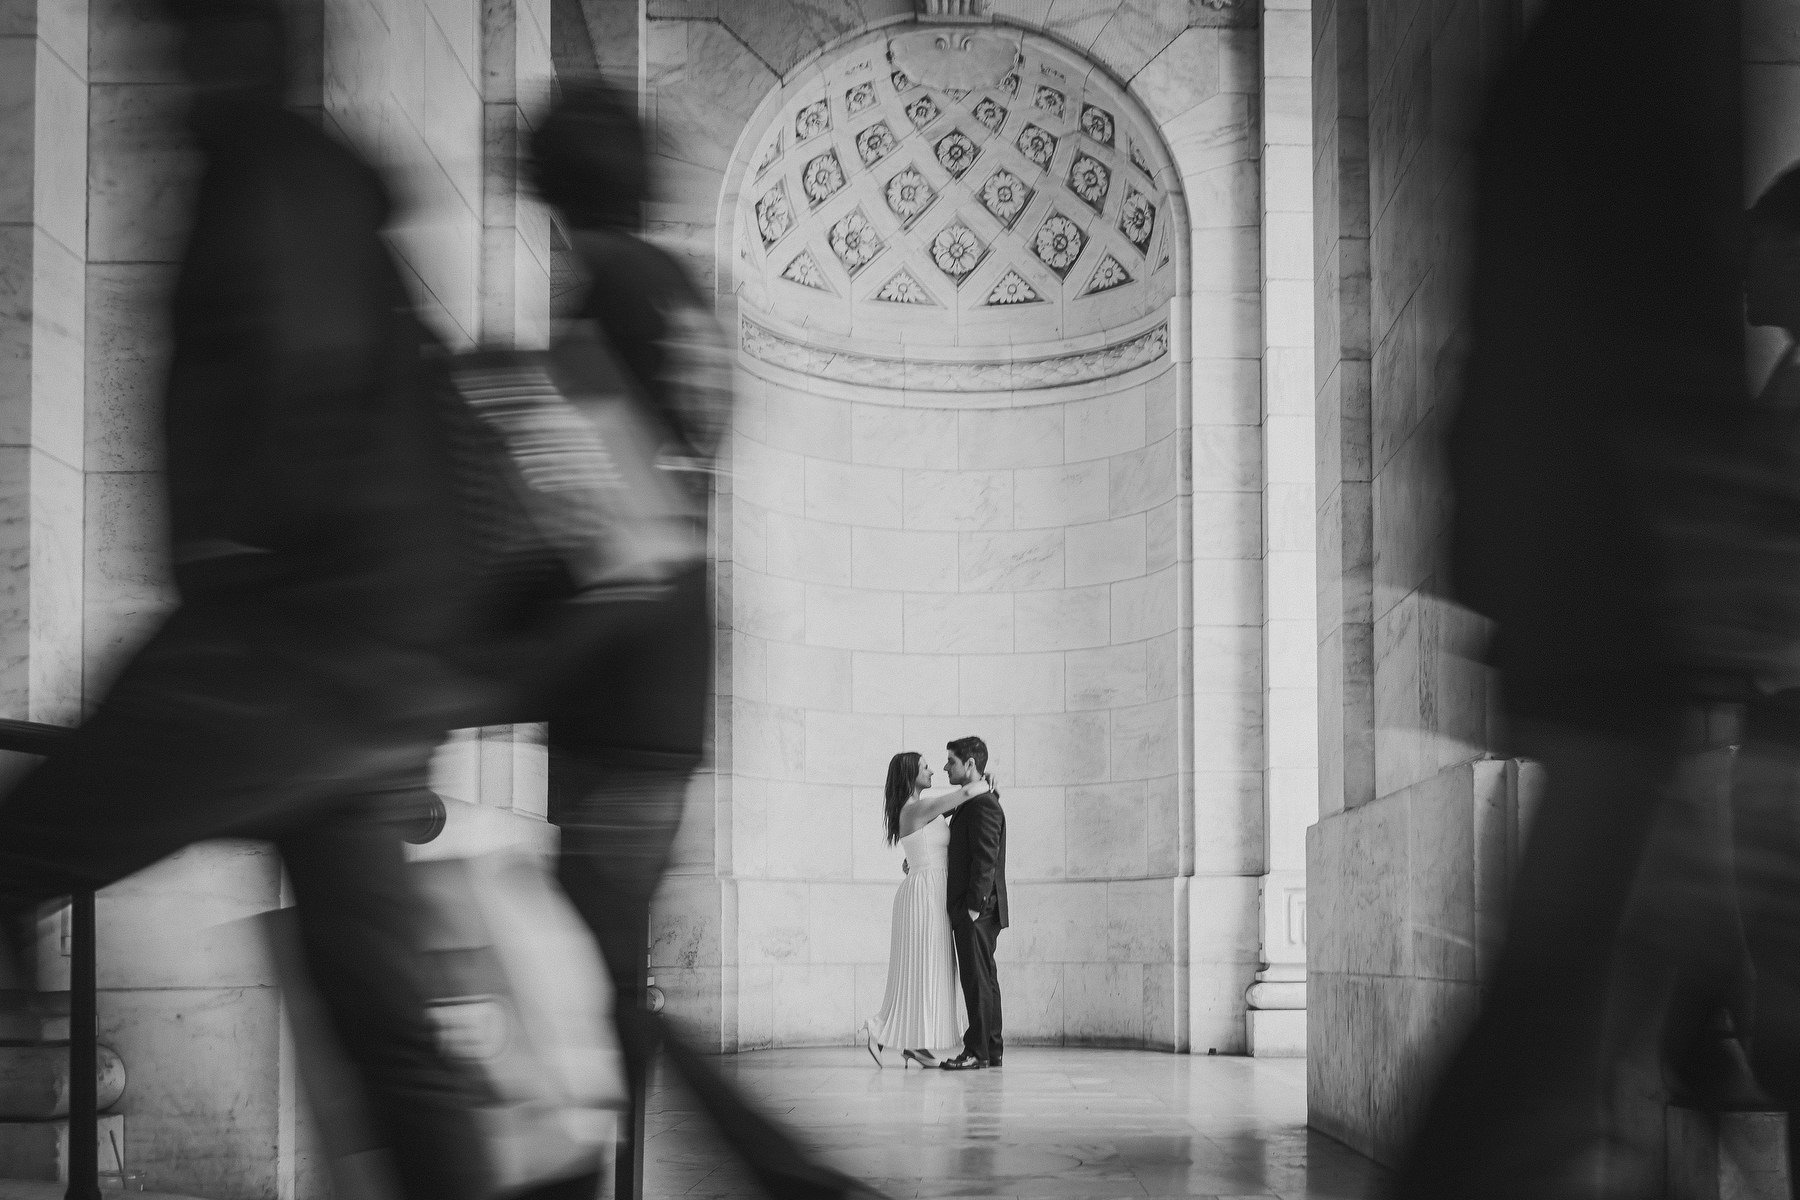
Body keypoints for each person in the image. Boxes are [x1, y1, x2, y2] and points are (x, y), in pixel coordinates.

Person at [0, 1, 523, 1196]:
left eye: (175, 38)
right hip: (367, 681)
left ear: (229, 45)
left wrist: (226, 581)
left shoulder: (266, 172)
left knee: (15, 854)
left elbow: (296, 393)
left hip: (288, 659)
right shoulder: (334, 197)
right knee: (388, 1031)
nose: (160, 60)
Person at [1387, 1, 1747, 1197]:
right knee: (1569, 980)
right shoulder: (1641, 44)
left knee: (1592, 971)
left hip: (1588, 586)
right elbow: (1658, 325)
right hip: (1627, 590)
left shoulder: (1568, 51)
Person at [524, 77, 884, 1200]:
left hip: (616, 689)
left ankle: (784, 1177)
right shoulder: (675, 289)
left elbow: (611, 516)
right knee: (600, 972)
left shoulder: (605, 295)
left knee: (600, 980)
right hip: (658, 687)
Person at [863, 752, 989, 1068]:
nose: (932, 770)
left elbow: (926, 846)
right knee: (921, 969)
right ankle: (881, 1030)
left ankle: (913, 1044)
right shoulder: (919, 807)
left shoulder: (920, 809)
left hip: (930, 891)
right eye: (925, 767)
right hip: (924, 896)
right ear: (910, 775)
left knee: (925, 969)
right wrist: (985, 781)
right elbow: (964, 794)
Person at [939, 736, 1008, 1071]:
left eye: (951, 761)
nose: (945, 767)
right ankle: (990, 1050)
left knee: (976, 979)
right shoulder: (976, 799)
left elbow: (986, 859)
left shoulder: (984, 805)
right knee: (983, 978)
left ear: (969, 764)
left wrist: (973, 907)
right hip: (978, 908)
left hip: (978, 909)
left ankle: (978, 1050)